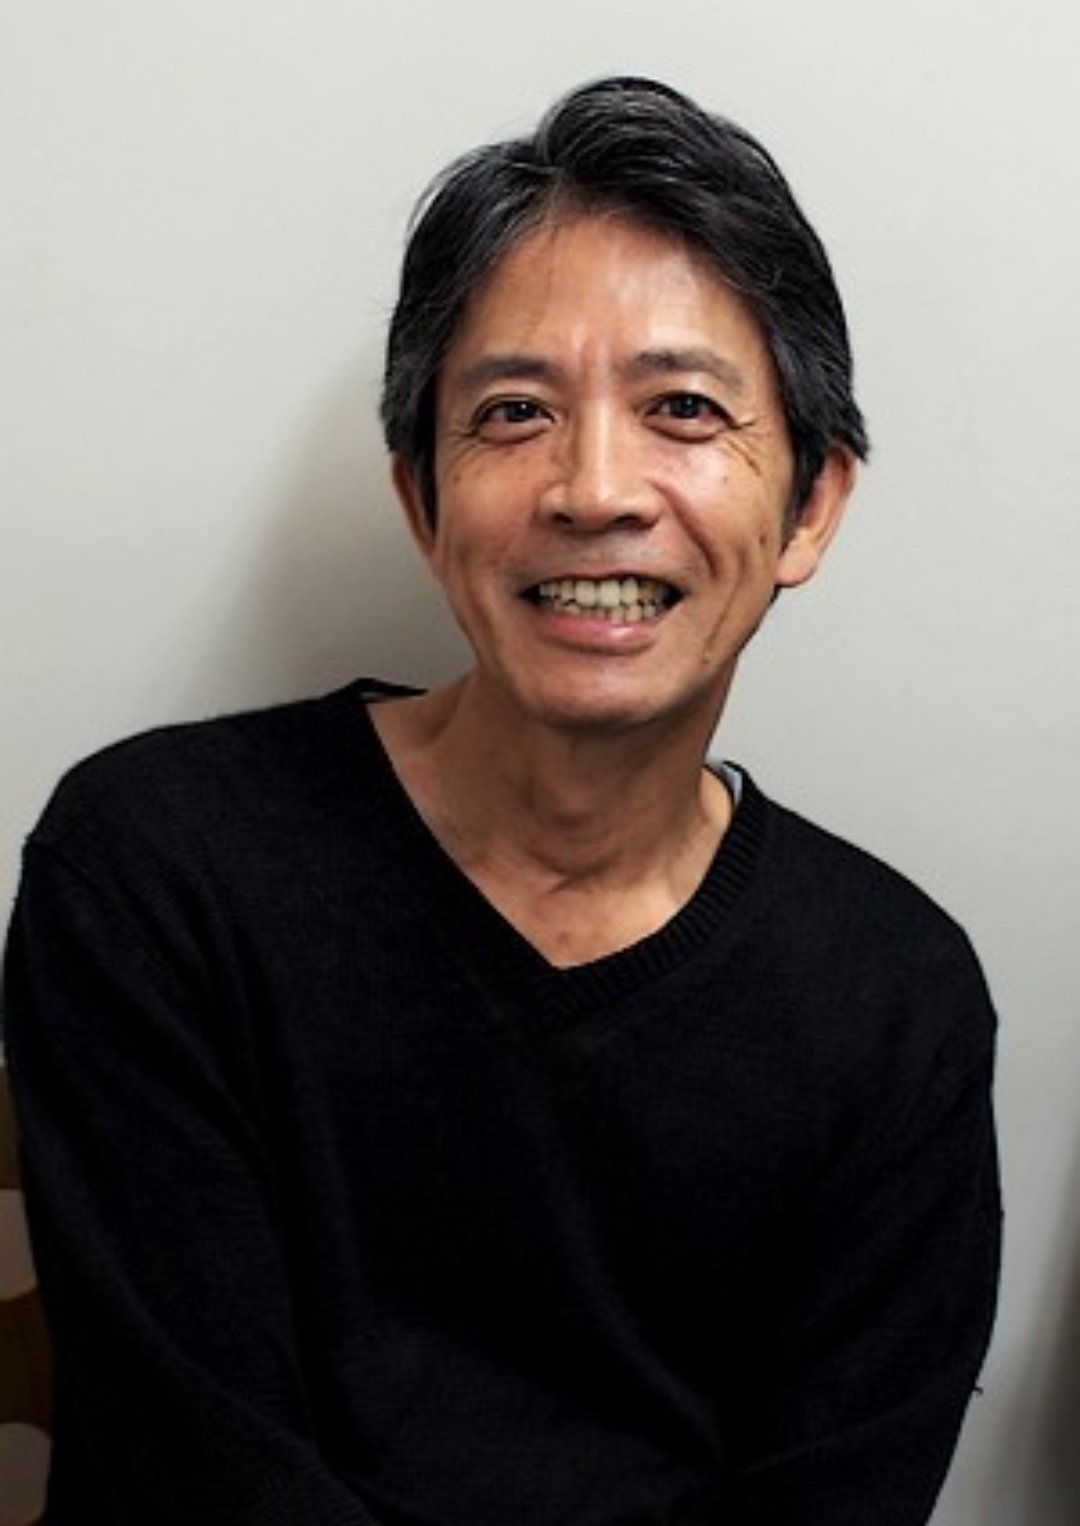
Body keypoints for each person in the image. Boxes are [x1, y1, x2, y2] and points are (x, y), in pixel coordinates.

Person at [2, 75, 1001, 1525]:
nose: (595, 488)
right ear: (422, 498)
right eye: (515, 411)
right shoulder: (156, 871)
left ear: (810, 506)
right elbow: (197, 1471)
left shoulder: (896, 1000)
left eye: (683, 409)